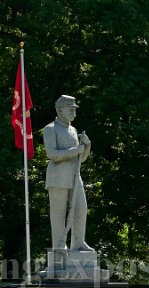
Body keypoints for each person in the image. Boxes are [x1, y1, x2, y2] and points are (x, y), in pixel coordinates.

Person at [44, 94, 93, 251]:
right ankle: (59, 245)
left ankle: (78, 243)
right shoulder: (50, 129)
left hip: (74, 175)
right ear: (59, 110)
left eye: (75, 109)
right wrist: (76, 150)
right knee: (58, 213)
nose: (74, 112)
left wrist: (87, 146)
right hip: (58, 176)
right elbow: (52, 154)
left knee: (81, 208)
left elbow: (80, 159)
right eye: (70, 109)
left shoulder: (73, 130)